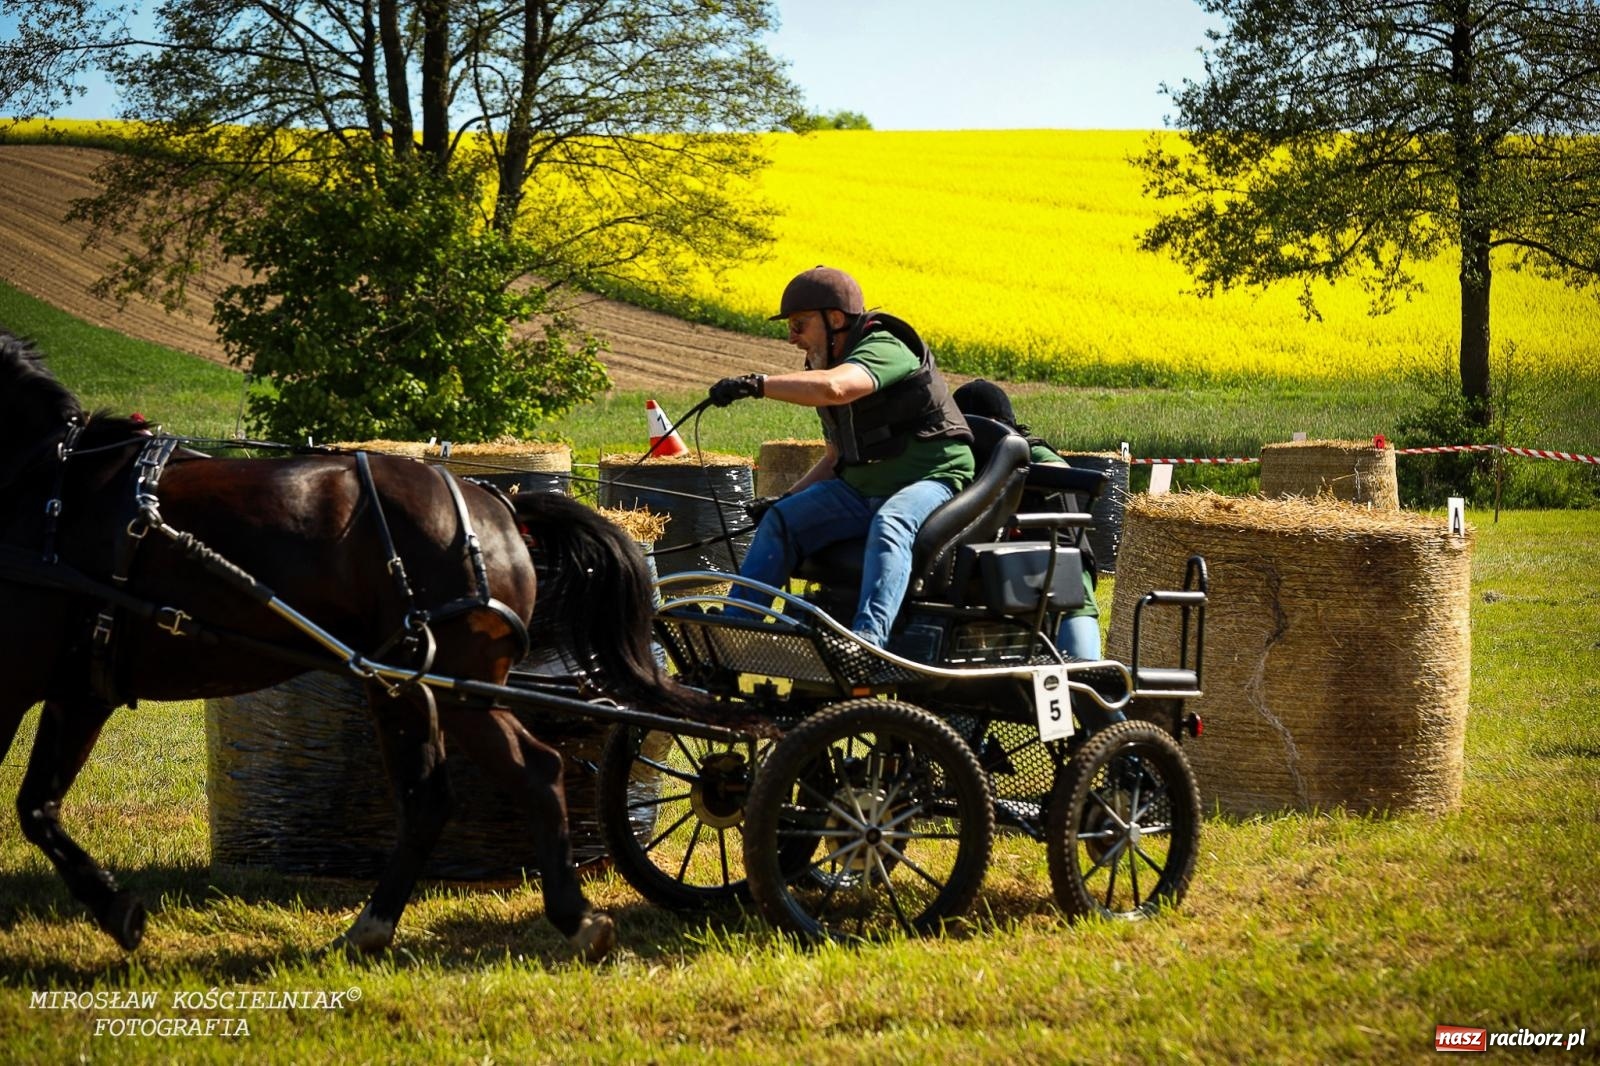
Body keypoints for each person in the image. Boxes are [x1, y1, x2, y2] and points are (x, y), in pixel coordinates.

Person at [706, 266, 974, 647]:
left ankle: (867, 642)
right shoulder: (824, 365)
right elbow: (835, 457)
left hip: (930, 478)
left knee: (891, 523)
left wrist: (756, 384)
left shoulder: (884, 346)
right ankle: (736, 628)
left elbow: (835, 389)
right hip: (861, 488)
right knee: (782, 520)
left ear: (835, 319)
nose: (792, 338)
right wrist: (784, 499)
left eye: (799, 325)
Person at [951, 379, 1103, 661]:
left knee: (1086, 676)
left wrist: (1008, 471)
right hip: (998, 586)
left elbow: (1062, 471)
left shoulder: (1030, 450)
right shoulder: (961, 461)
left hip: (1061, 577)